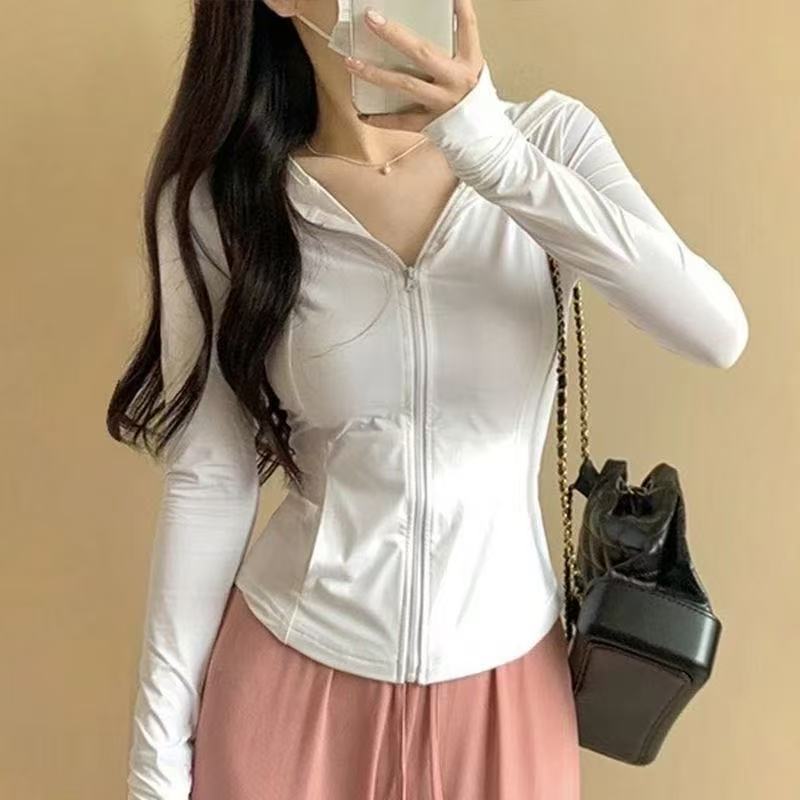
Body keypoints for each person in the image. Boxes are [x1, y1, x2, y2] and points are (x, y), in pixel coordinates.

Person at [107, 1, 749, 798]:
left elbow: (714, 331)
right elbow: (211, 478)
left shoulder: (547, 142)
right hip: (290, 687)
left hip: (507, 691)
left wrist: (492, 153)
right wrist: (155, 767)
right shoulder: (225, 199)